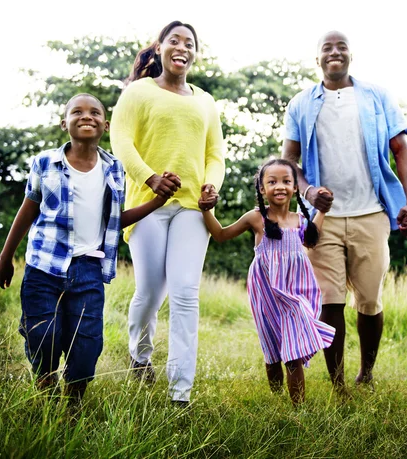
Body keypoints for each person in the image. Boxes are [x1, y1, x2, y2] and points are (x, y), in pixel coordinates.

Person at [0, 93, 169, 406]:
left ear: (106, 124)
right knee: (44, 337)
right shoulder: (45, 163)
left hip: (88, 269)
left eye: (94, 112)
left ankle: (72, 408)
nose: (86, 116)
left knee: (86, 347)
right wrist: (5, 259)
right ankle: (47, 397)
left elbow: (114, 220)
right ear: (65, 124)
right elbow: (27, 209)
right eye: (77, 112)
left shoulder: (114, 168)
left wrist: (157, 201)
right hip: (43, 267)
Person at [281, 30, 407, 394]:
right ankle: (338, 384)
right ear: (318, 59)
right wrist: (308, 190)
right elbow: (288, 161)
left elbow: (402, 150)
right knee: (330, 300)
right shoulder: (301, 104)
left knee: (370, 300)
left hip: (371, 213)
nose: (334, 52)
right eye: (327, 48)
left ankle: (367, 373)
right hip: (321, 220)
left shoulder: (376, 97)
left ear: (350, 56)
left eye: (341, 47)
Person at [110, 20, 226, 405]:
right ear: (159, 48)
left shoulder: (205, 101)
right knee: (149, 291)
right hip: (147, 205)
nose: (182, 47)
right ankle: (140, 355)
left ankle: (180, 391)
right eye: (174, 40)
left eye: (189, 42)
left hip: (193, 208)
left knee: (185, 294)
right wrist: (150, 177)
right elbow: (121, 139)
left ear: (195, 53)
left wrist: (212, 186)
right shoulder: (139, 92)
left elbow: (215, 155)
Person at [199, 159, 335, 405]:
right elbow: (220, 235)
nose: (279, 186)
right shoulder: (255, 218)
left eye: (286, 181)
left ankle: (299, 410)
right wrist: (206, 209)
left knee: (292, 352)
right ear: (262, 189)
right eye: (272, 182)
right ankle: (276, 398)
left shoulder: (299, 220)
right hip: (266, 291)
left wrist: (322, 211)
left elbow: (311, 241)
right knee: (272, 350)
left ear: (295, 188)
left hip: (295, 292)